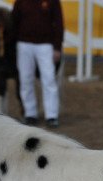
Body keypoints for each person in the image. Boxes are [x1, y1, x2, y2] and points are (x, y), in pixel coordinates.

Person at [12, 0, 64, 128]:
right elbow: (14, 22)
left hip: (46, 45)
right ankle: (30, 114)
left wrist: (57, 47)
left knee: (49, 79)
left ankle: (52, 116)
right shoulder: (20, 1)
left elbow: (59, 23)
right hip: (23, 44)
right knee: (25, 79)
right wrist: (12, 46)